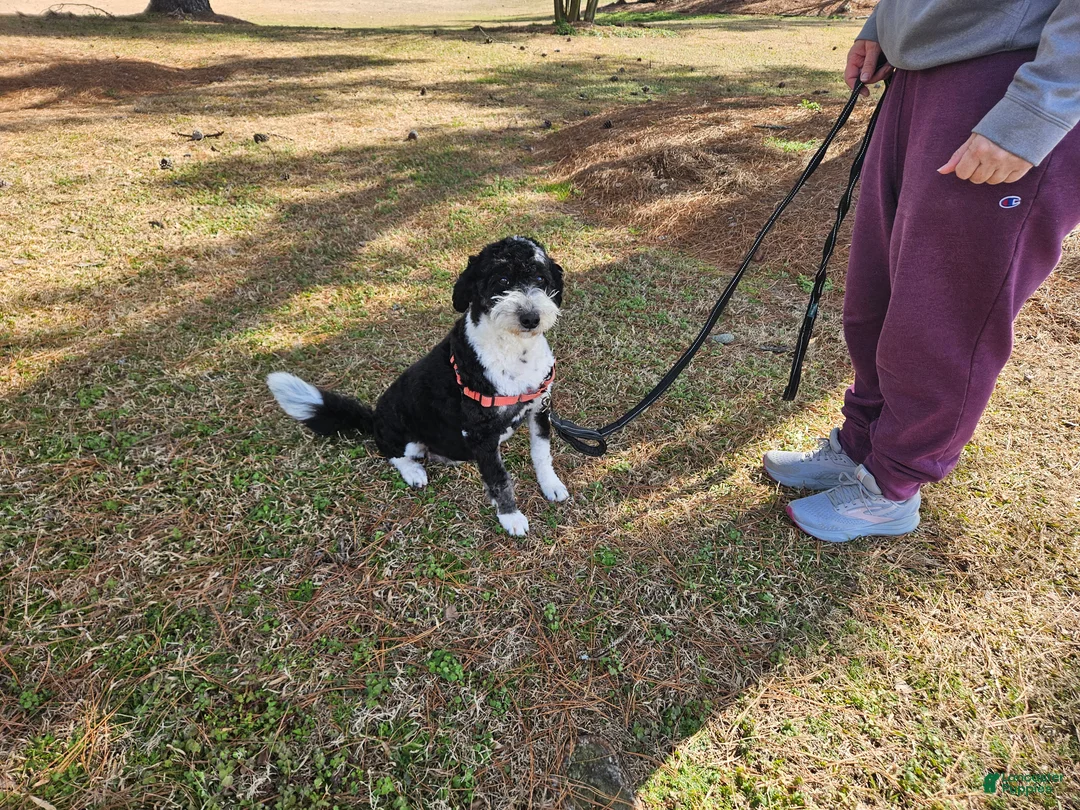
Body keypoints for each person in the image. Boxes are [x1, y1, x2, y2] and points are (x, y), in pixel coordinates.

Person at [763, 0, 1080, 543]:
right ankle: (862, 444)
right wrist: (886, 24)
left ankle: (893, 486)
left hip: (1014, 75)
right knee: (876, 293)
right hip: (919, 72)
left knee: (943, 309)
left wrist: (1039, 107)